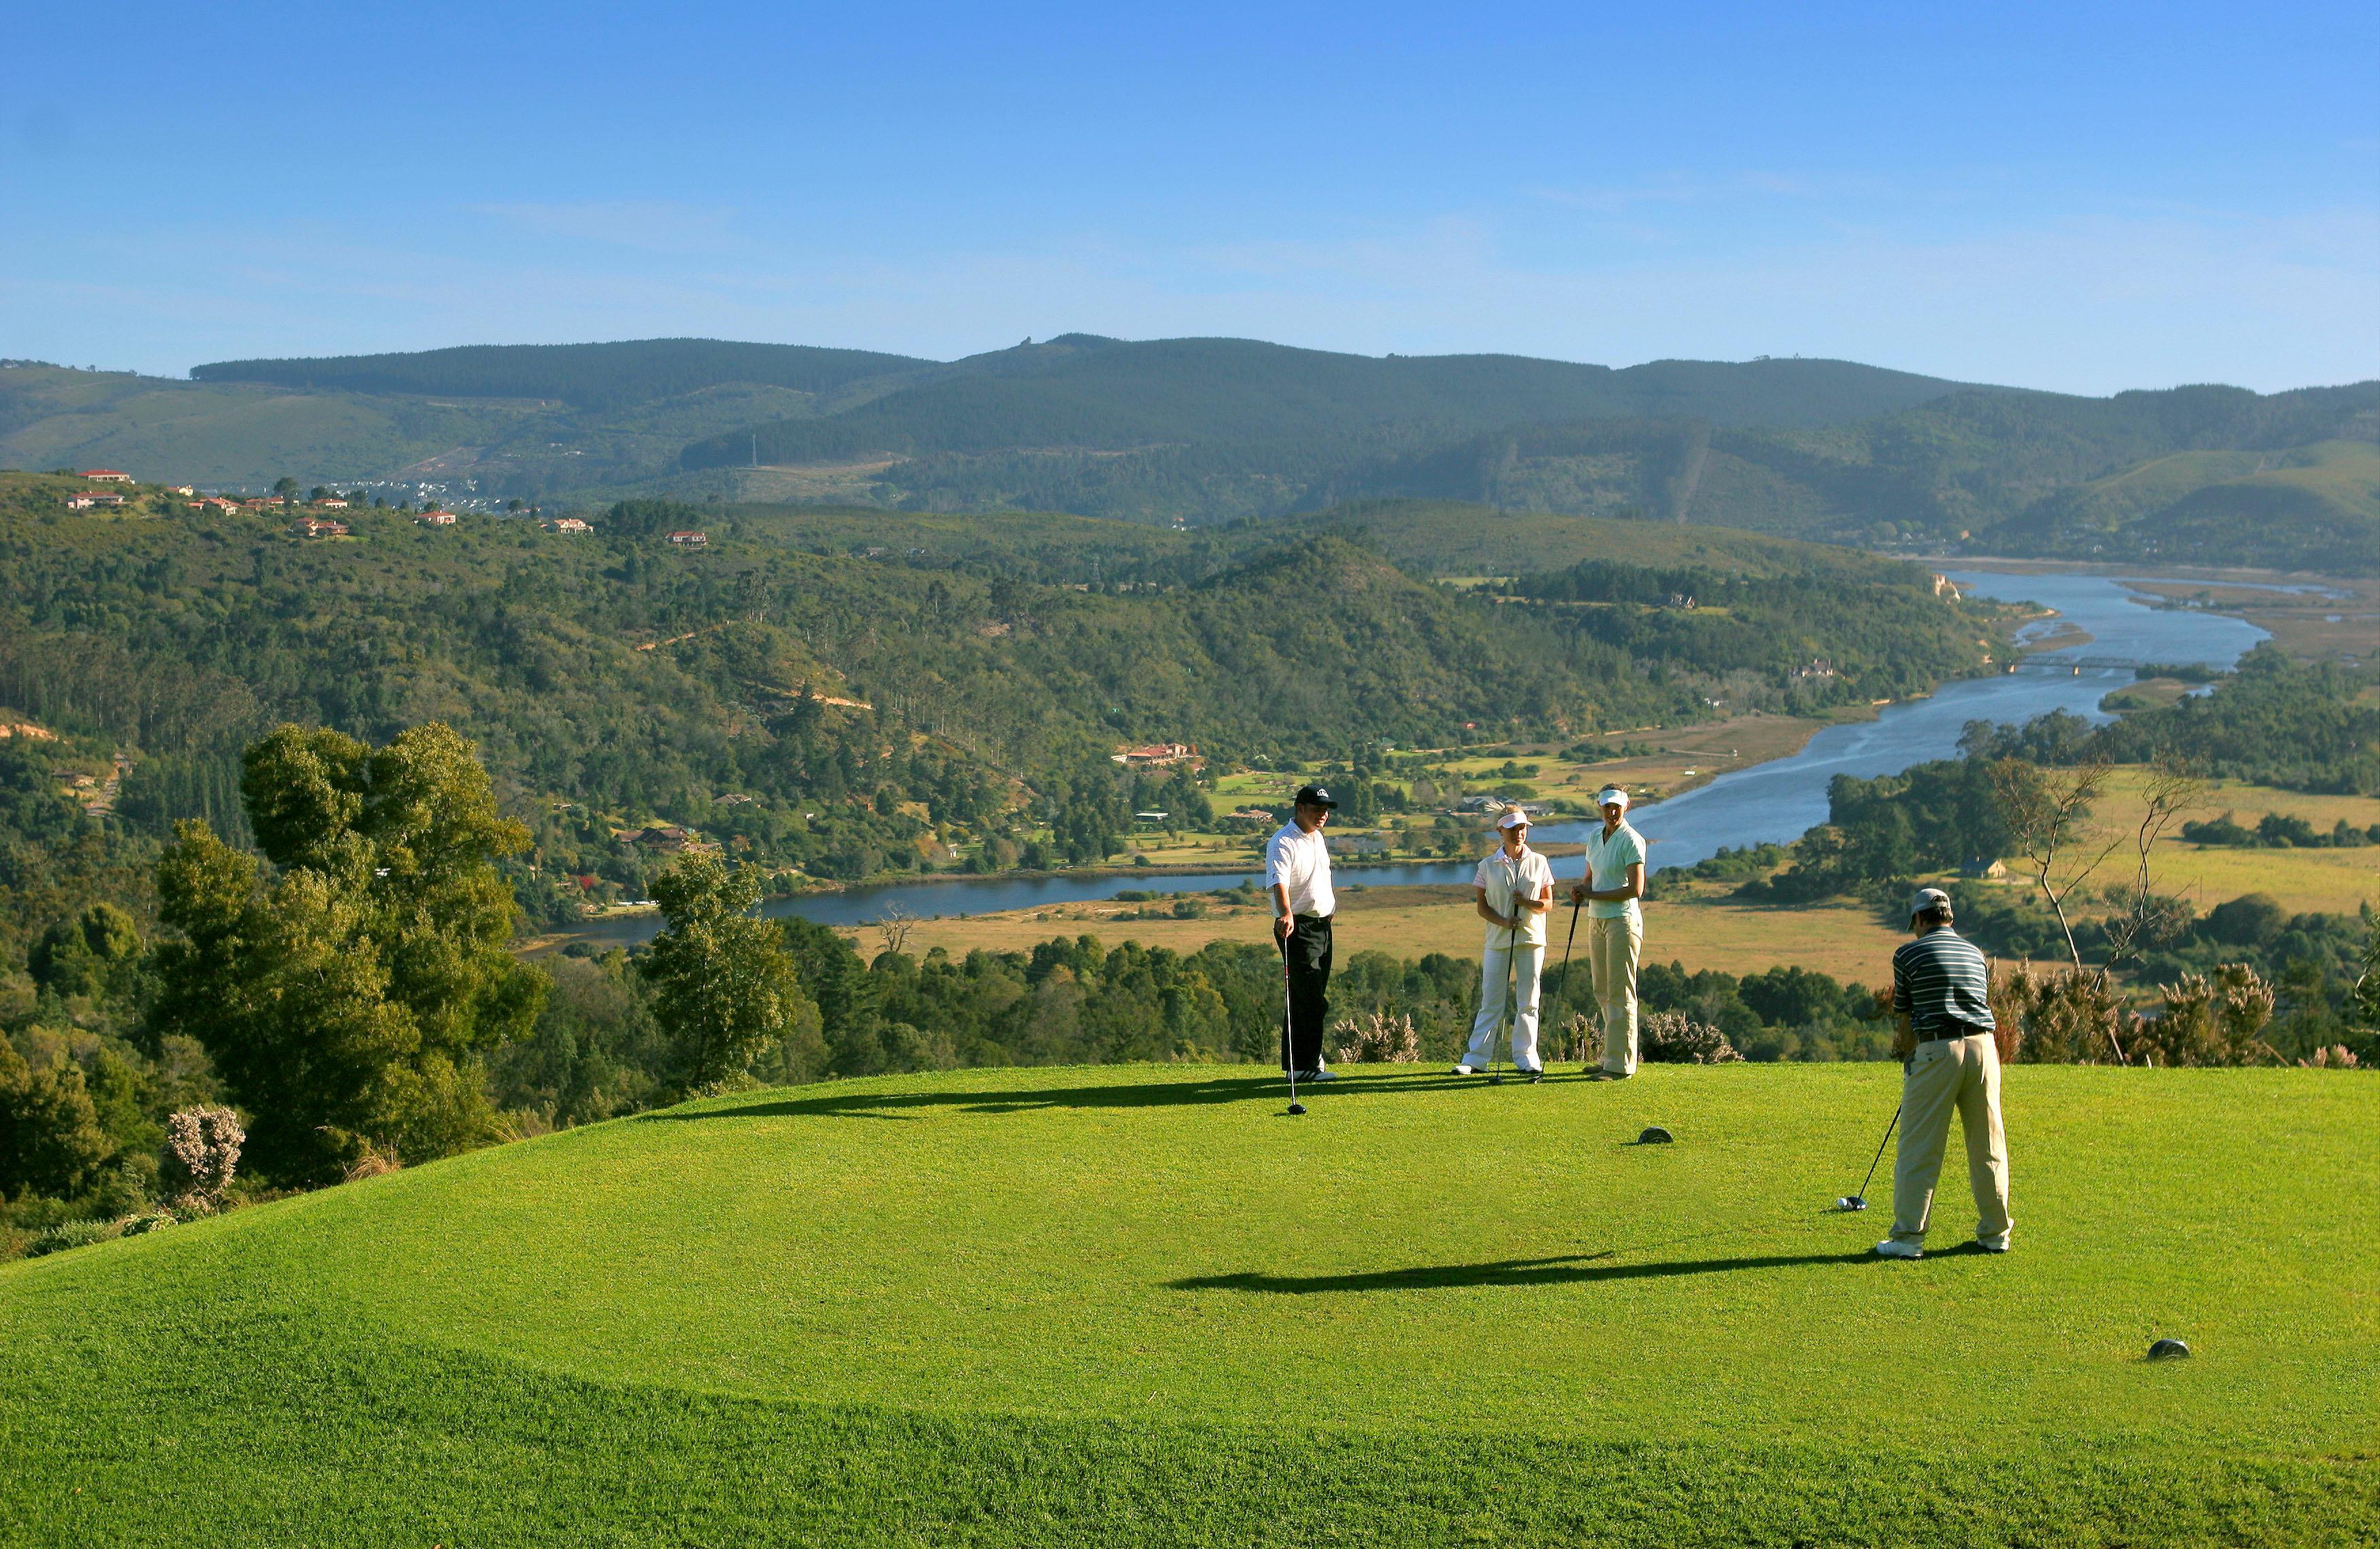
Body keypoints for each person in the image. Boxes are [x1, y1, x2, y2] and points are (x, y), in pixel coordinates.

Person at [1875, 887, 2013, 1260]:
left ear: (1920, 919)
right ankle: (1995, 1233)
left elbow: (1904, 1013)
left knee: (1921, 1147)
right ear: (1950, 917)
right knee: (1988, 1144)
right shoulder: (1974, 953)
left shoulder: (1908, 954)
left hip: (1938, 1049)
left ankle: (1907, 1238)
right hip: (1985, 1049)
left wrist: (1908, 1055)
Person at [1455, 810, 1554, 1079]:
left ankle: (1526, 1057)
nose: (1519, 833)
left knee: (1529, 1001)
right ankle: (1476, 1059)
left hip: (1532, 939)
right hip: (1498, 941)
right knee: (1491, 1000)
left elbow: (1548, 903)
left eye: (1522, 828)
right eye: (1512, 829)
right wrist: (1503, 921)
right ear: (1500, 831)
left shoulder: (1539, 861)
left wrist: (1526, 903)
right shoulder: (1487, 865)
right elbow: (1482, 907)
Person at [1569, 785, 1646, 1079]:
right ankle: (1609, 1057)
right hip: (1597, 920)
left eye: (1617, 807)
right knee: (1602, 989)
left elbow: (1635, 890)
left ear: (1627, 807)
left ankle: (1620, 1065)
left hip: (1622, 922)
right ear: (1599, 807)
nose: (1612, 812)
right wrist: (1582, 891)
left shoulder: (1632, 840)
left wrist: (1593, 895)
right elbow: (1591, 879)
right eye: (1606, 807)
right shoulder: (1593, 838)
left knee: (1621, 991)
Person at [1266, 784, 1339, 1082]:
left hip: (1322, 925)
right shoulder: (1283, 841)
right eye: (1317, 809)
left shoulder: (1317, 838)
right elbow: (1279, 882)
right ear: (1300, 808)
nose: (1323, 815)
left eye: (1325, 810)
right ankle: (1305, 1065)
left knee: (1311, 995)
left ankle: (1302, 1062)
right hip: (1297, 925)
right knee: (1309, 998)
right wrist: (1285, 913)